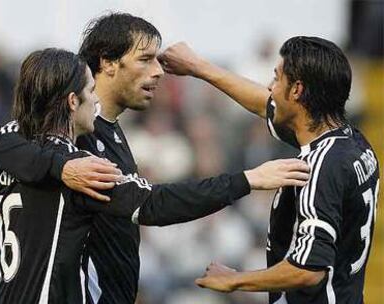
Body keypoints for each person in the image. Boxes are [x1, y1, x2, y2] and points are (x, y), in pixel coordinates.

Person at [0, 14, 310, 304]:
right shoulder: (74, 139)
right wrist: (248, 180)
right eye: (146, 59)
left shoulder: (104, 132)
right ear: (108, 63)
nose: (158, 72)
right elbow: (154, 204)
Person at [159, 37, 380, 303]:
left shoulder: (319, 166)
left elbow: (309, 269)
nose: (270, 88)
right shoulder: (354, 142)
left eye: (276, 79)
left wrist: (235, 280)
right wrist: (199, 67)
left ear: (297, 90)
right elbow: (265, 104)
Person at [0, 48, 105, 303]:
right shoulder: (74, 161)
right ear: (73, 100)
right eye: (91, 89)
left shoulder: (10, 147)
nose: (96, 99)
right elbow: (153, 203)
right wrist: (63, 168)